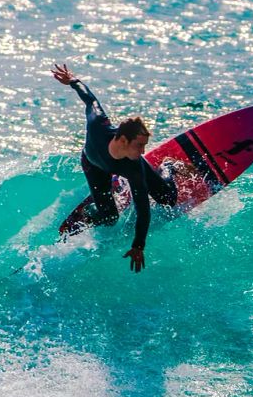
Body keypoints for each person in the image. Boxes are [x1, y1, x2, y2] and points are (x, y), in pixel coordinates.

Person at [52, 63, 178, 273]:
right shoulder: (98, 124)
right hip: (94, 164)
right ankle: (89, 211)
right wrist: (73, 81)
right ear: (121, 139)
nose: (143, 150)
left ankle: (168, 167)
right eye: (139, 145)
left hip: (121, 167)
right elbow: (90, 99)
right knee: (109, 218)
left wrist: (138, 245)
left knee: (168, 199)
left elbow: (142, 209)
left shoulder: (134, 166)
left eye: (145, 145)